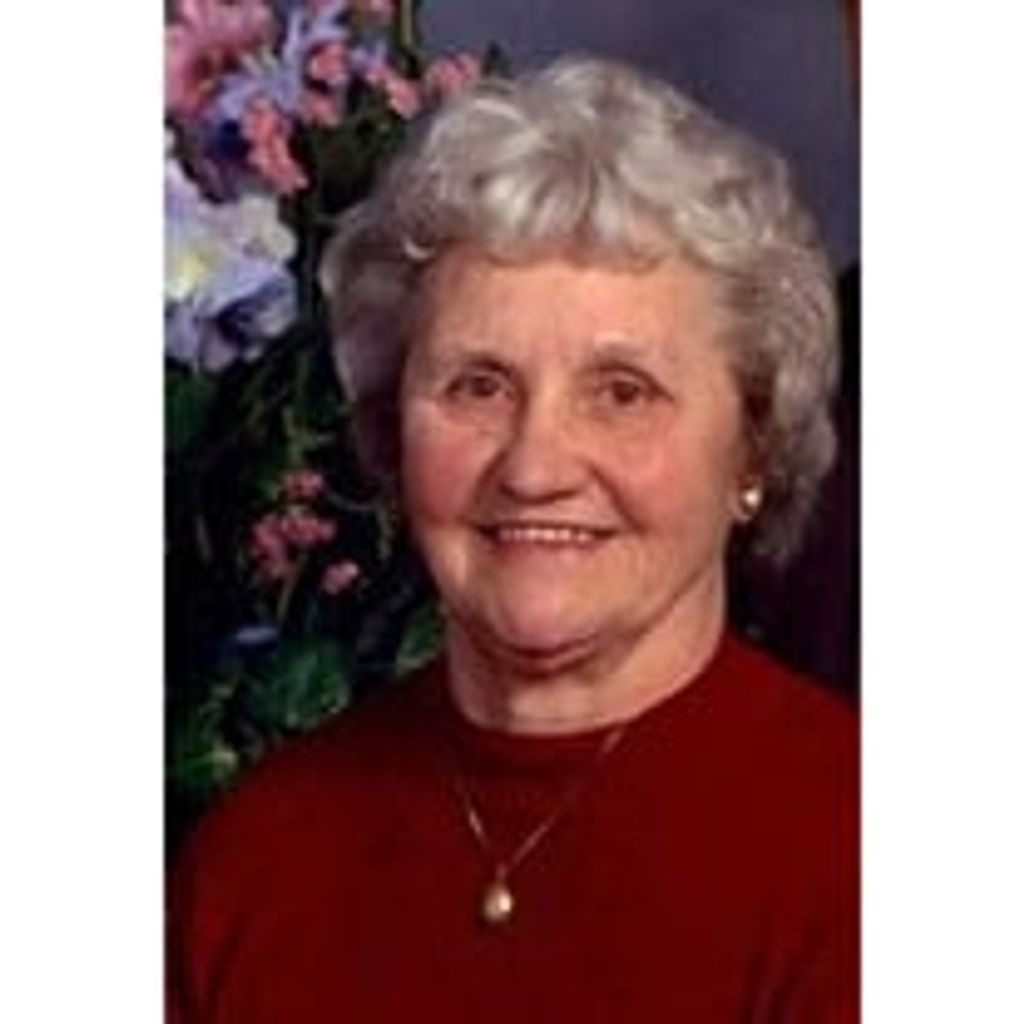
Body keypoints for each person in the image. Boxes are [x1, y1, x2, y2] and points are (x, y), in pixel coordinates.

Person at [167, 55, 858, 1022]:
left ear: (754, 447)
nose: (535, 467)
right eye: (478, 386)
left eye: (622, 393)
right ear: (391, 430)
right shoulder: (257, 854)